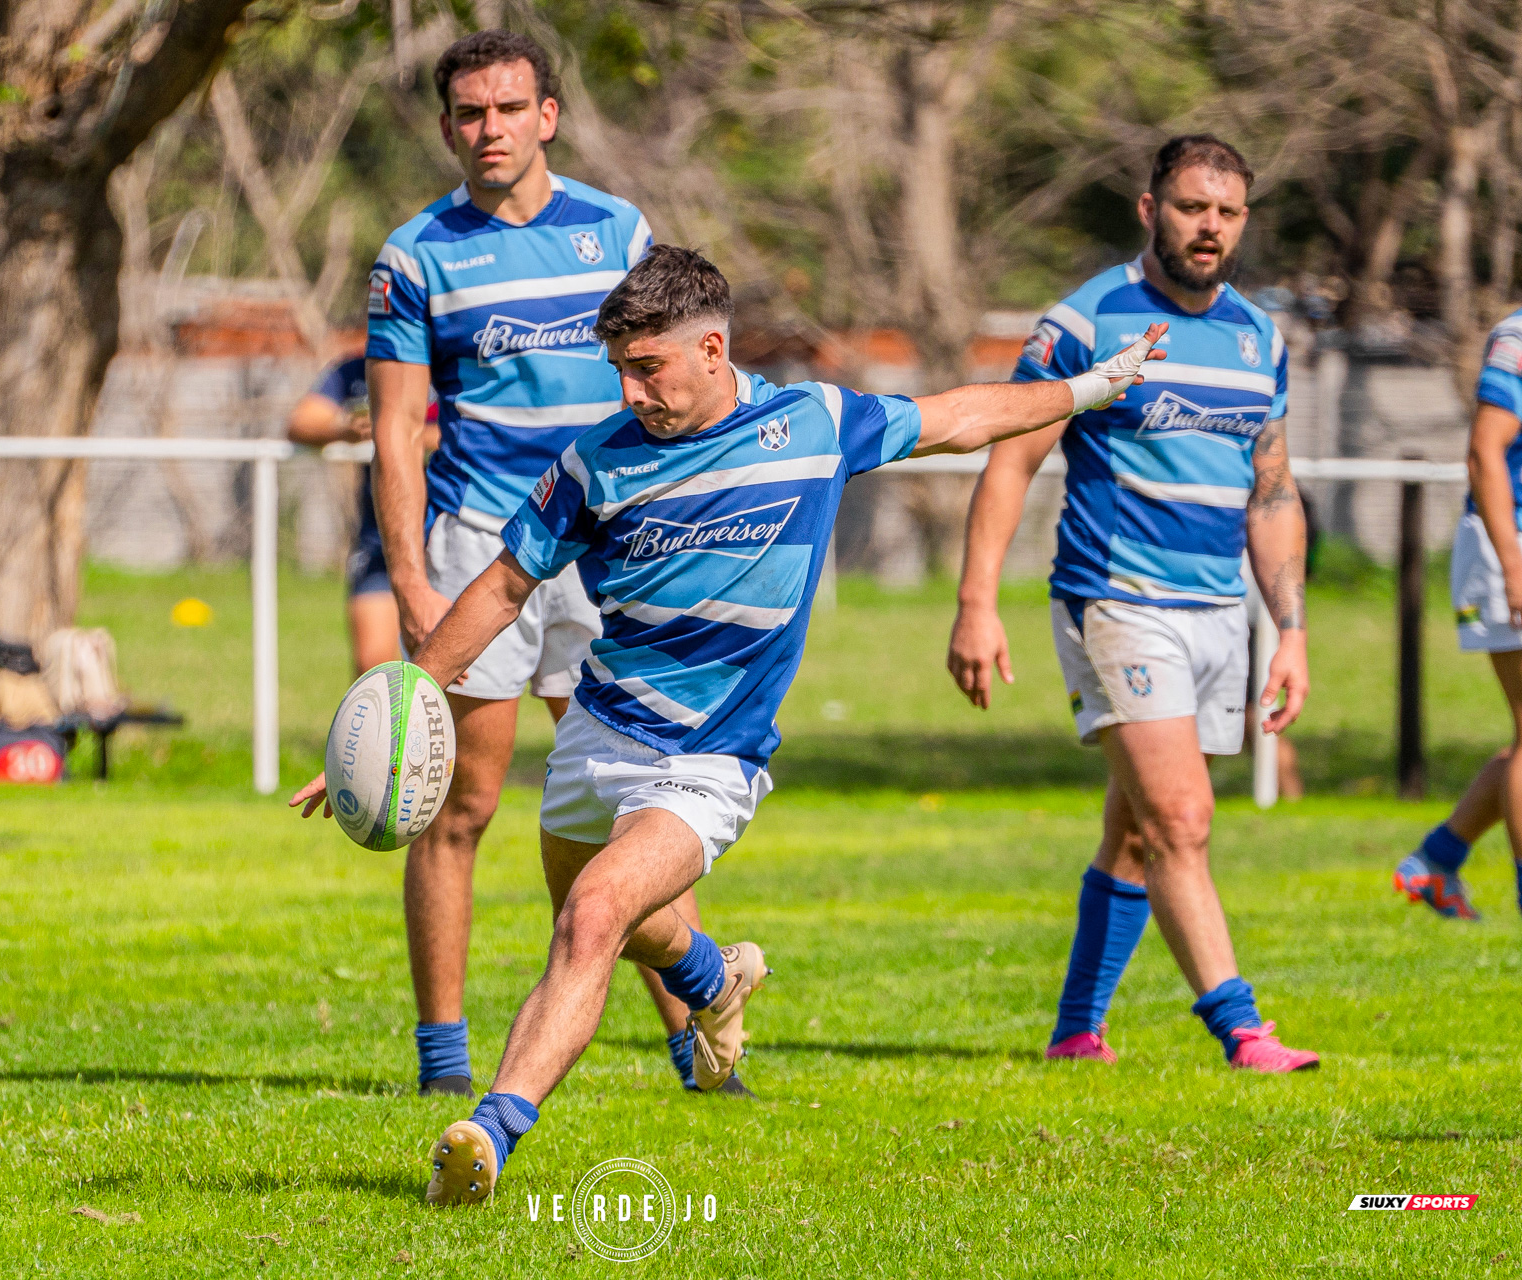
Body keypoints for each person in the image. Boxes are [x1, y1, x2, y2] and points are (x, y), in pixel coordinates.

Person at [296, 244, 1168, 1204]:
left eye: (648, 368)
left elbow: (961, 419)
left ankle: (489, 1132)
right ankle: (715, 978)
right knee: (621, 922)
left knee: (592, 917)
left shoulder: (814, 423)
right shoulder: (597, 462)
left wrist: (1088, 387)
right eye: (619, 369)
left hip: (713, 755)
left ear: (712, 347)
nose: (629, 390)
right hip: (600, 732)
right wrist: (400, 711)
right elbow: (504, 587)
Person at [362, 29, 726, 1098]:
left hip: (617, 548)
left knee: (641, 800)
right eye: (469, 114)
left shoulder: (618, 231)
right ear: (446, 129)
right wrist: (413, 580)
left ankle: (698, 1044)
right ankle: (443, 1064)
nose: (489, 130)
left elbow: (673, 390)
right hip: (485, 546)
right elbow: (393, 432)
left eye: (508, 109)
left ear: (547, 116)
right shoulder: (414, 253)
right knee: (459, 801)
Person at [947, 135, 1320, 1073]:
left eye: (1228, 212)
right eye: (1193, 208)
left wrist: (1292, 631)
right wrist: (975, 603)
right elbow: (1013, 459)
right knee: (1183, 820)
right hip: (1114, 601)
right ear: (1151, 209)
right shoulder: (1086, 322)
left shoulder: (1258, 339)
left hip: (1216, 611)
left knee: (1136, 827)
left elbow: (1272, 491)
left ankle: (1076, 1031)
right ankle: (1243, 1030)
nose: (1211, 228)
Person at [1393, 307, 1522, 921]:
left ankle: (1436, 859)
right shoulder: (1518, 336)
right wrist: (1514, 564)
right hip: (1513, 539)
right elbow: (1484, 450)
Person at [286, 355, 439, 675]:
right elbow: (301, 421)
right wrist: (345, 428)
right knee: (373, 668)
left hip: (456, 531)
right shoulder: (356, 371)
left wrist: (402, 436)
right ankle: (388, 726)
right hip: (382, 538)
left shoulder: (456, 362)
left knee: (457, 670)